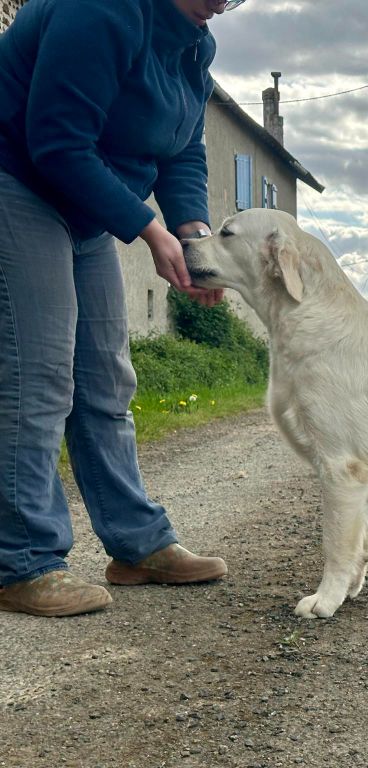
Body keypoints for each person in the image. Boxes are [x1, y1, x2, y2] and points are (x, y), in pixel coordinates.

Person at [0, 0, 249, 617]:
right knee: (40, 376)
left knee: (106, 377)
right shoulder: (100, 11)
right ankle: (22, 562)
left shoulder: (195, 44)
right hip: (19, 181)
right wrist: (145, 228)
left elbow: (183, 148)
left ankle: (137, 545)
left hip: (86, 208)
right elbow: (56, 142)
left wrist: (190, 234)